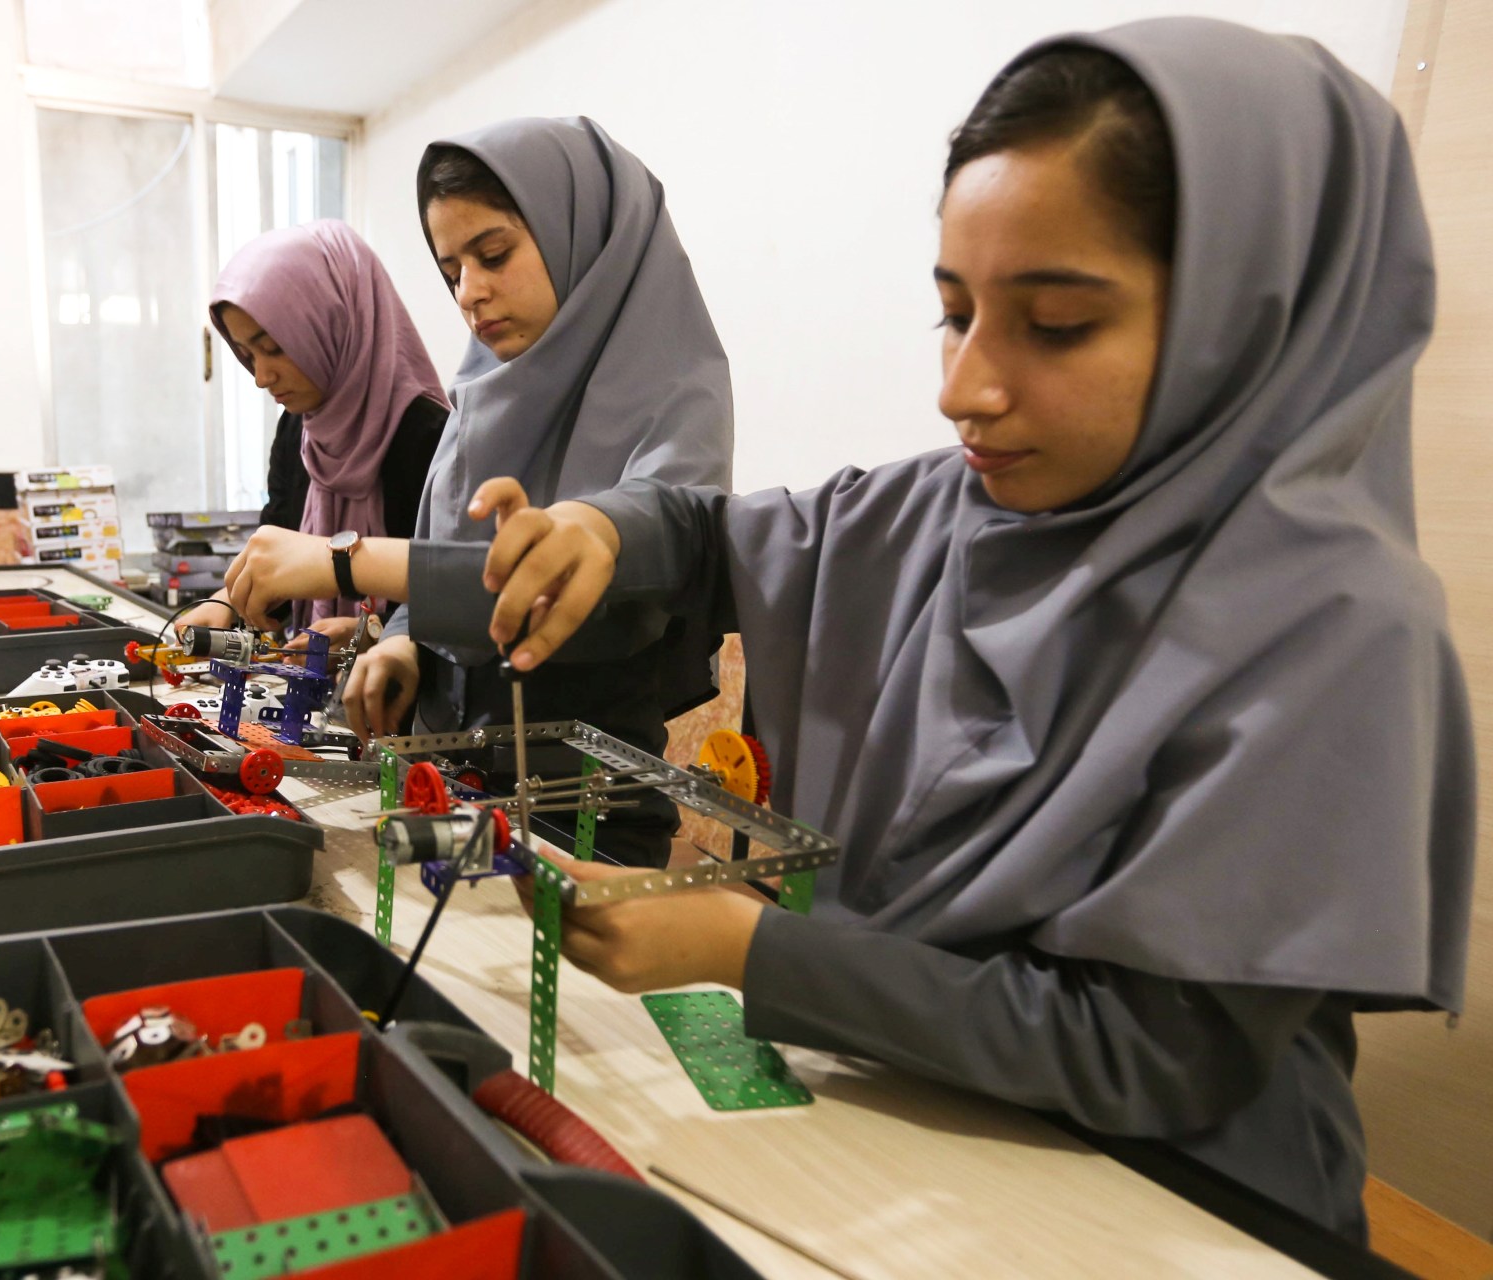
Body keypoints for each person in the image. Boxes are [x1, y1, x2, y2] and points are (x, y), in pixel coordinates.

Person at [226, 21, 1475, 1241]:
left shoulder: (1337, 629)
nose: (963, 389)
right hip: (924, 1115)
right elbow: (716, 537)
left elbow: (1154, 1051)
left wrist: (750, 948)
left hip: (1182, 1208)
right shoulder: (955, 507)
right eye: (954, 313)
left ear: (1248, 310)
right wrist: (604, 527)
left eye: (1056, 323)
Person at [234, 117, 734, 868]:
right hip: (445, 783)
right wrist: (405, 639)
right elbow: (449, 552)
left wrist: (344, 562)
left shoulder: (676, 405)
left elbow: (577, 581)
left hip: (581, 817)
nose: (469, 293)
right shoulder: (483, 394)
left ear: (582, 238)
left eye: (493, 255)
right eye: (452, 272)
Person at [179, 219, 447, 646]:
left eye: (274, 348)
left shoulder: (427, 436)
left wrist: (373, 633)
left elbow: (452, 593)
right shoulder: (298, 428)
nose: (261, 377)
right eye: (248, 355)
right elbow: (276, 554)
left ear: (334, 323)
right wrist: (227, 601)